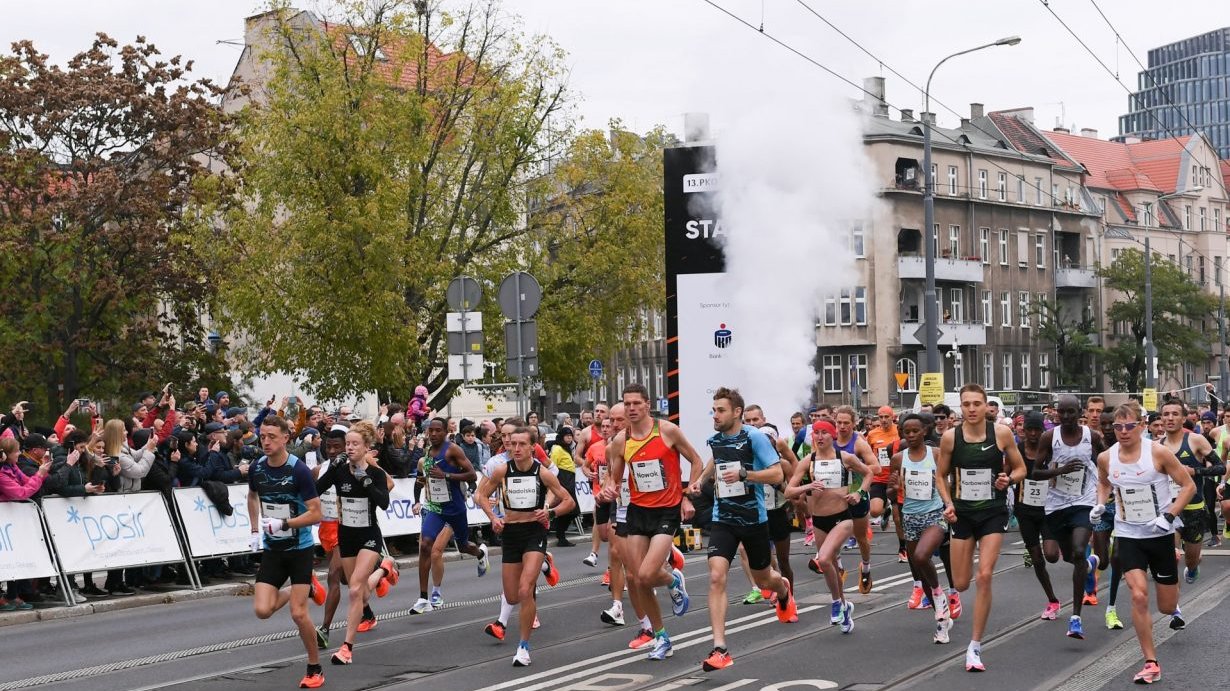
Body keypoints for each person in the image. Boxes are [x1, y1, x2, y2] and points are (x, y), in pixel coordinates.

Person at [693, 389, 797, 672]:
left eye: (721, 410)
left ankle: (782, 589)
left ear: (737, 412)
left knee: (765, 580)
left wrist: (746, 475)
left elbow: (776, 474)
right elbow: (715, 462)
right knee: (716, 576)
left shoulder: (755, 437)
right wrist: (700, 481)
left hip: (753, 519)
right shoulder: (715, 440)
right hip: (723, 518)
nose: (715, 415)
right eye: (713, 410)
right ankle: (720, 648)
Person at [600, 383, 704, 661]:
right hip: (637, 511)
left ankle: (672, 580)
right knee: (638, 579)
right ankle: (662, 637)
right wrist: (608, 488)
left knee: (647, 574)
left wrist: (687, 494)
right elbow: (615, 477)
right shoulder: (620, 442)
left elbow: (696, 460)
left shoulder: (667, 431)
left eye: (636, 403)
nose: (632, 408)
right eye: (627, 403)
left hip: (666, 511)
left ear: (647, 405)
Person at [1093, 402, 1195, 684]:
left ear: (1141, 425)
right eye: (1118, 427)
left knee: (1165, 606)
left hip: (1159, 533)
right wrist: (1100, 503)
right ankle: (1151, 662)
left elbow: (1189, 486)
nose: (1123, 432)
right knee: (1138, 595)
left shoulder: (1158, 453)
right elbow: (1103, 482)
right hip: (1128, 535)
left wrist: (1169, 515)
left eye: (1129, 426)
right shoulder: (1106, 457)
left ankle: (1172, 584)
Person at [936, 384, 1026, 672]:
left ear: (987, 406)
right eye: (966, 404)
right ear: (960, 408)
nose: (972, 409)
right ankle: (952, 596)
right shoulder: (951, 438)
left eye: (977, 403)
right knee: (962, 583)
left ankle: (974, 646)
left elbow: (1021, 468)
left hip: (992, 512)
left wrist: (1008, 480)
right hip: (962, 513)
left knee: (984, 575)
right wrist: (948, 503)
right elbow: (941, 476)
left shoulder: (1000, 433)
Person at [475, 426, 576, 667]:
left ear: (533, 447)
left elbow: (569, 501)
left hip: (534, 532)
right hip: (511, 534)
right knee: (511, 596)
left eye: (522, 444)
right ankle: (545, 562)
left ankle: (523, 646)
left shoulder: (542, 473)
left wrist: (549, 512)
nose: (516, 448)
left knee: (524, 589)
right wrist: (493, 518)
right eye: (513, 444)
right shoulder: (502, 470)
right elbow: (481, 496)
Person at [246, 415, 327, 689]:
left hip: (299, 549)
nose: (265, 442)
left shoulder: (298, 470)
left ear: (285, 439)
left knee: (298, 613)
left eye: (271, 437)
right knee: (262, 610)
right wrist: (255, 530)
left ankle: (314, 667)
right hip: (273, 549)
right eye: (262, 437)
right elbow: (252, 495)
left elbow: (317, 513)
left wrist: (285, 523)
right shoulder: (257, 468)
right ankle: (305, 588)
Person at [313, 422, 397, 666]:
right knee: (360, 590)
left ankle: (346, 648)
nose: (349, 448)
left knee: (353, 590)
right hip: (346, 535)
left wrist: (366, 482)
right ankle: (384, 569)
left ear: (366, 447)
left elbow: (383, 503)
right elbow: (318, 488)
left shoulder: (376, 474)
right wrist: (332, 469)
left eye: (354, 444)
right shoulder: (339, 470)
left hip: (369, 535)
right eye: (347, 444)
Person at [786, 419, 873, 635]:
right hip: (819, 521)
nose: (820, 436)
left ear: (832, 436)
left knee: (823, 559)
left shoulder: (845, 458)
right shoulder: (809, 460)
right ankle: (844, 605)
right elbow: (789, 491)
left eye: (825, 432)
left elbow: (869, 473)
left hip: (842, 518)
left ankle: (835, 603)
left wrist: (859, 493)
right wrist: (808, 485)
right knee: (831, 565)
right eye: (816, 433)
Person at [1032, 395, 1106, 640]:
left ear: (1079, 412)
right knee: (1058, 556)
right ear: (1056, 413)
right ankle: (1089, 564)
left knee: (1077, 551)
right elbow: (1036, 472)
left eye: (1070, 412)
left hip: (1084, 501)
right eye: (1061, 412)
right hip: (1056, 505)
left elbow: (1105, 462)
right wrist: (1060, 470)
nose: (1065, 417)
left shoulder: (1091, 437)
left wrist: (1108, 485)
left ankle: (1075, 618)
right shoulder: (1048, 437)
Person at [410, 417, 490, 613]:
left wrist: (446, 475)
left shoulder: (453, 449)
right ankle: (423, 598)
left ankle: (480, 553)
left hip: (455, 508)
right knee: (425, 545)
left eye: (438, 430)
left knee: (463, 546)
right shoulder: (427, 453)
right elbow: (421, 480)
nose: (434, 434)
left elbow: (472, 475)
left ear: (445, 432)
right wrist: (417, 499)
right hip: (436, 509)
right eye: (431, 431)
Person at [889, 414, 954, 643]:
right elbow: (891, 492)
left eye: (915, 431)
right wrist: (894, 488)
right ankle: (942, 621)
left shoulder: (935, 455)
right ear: (902, 434)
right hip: (910, 516)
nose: (911, 435)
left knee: (922, 554)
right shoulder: (898, 459)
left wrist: (950, 504)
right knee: (919, 566)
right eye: (907, 432)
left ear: (924, 431)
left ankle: (939, 596)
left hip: (935, 514)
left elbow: (946, 480)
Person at [1157, 399, 1223, 584]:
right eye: (1166, 414)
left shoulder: (1195, 440)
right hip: (1170, 509)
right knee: (1170, 556)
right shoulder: (1157, 446)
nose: (1170, 418)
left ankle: (1193, 567)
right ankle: (1173, 605)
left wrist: (1195, 471)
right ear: (1161, 418)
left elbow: (1220, 468)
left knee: (1191, 559)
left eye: (1175, 414)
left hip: (1194, 508)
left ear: (1184, 418)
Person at [1013, 412, 1061, 620]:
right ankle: (1052, 600)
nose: (1032, 434)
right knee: (1037, 559)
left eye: (1037, 430)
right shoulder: (1017, 451)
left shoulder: (1050, 452)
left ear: (1043, 431)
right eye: (1029, 429)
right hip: (1024, 510)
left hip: (1048, 510)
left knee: (1051, 555)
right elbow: (1006, 472)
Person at [831, 406, 881, 594]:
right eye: (839, 423)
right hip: (835, 496)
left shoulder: (858, 443)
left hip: (857, 494)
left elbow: (876, 468)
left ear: (853, 424)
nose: (842, 427)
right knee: (832, 537)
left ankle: (866, 568)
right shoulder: (829, 441)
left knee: (860, 537)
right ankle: (840, 567)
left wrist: (857, 466)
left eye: (846, 423)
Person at [866, 405, 906, 562]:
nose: (883, 420)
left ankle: (902, 548)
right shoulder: (872, 435)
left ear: (892, 417)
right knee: (874, 511)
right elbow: (868, 454)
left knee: (898, 519)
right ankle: (885, 509)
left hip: (896, 478)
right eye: (880, 417)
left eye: (886, 417)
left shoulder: (898, 432)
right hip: (879, 478)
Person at [581, 417, 613, 571]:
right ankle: (595, 554)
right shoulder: (594, 448)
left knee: (614, 531)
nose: (605, 429)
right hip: (599, 492)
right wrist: (588, 473)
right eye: (604, 427)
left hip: (615, 494)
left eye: (609, 426)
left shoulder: (621, 446)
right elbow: (585, 466)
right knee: (604, 534)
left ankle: (611, 568)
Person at [548, 426, 580, 547]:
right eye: (567, 436)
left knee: (572, 511)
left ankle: (560, 534)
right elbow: (553, 466)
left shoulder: (567, 448)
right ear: (561, 436)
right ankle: (559, 534)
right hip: (563, 480)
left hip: (569, 480)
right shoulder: (557, 448)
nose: (569, 438)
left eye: (570, 435)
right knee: (570, 509)